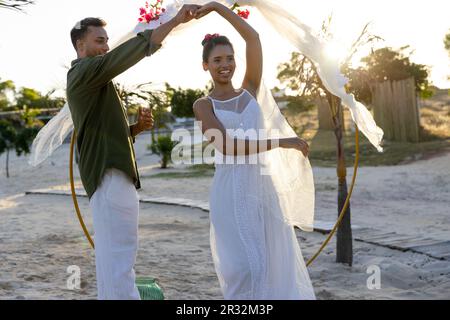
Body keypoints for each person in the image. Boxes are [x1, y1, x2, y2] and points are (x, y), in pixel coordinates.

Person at [66, 4, 201, 300]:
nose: (106, 46)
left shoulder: (94, 79)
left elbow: (102, 134)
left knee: (117, 260)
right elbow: (132, 51)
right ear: (80, 44)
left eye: (106, 40)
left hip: (114, 176)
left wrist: (135, 129)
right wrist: (177, 20)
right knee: (119, 261)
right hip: (108, 177)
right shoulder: (85, 73)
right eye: (99, 40)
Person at [193, 1, 316, 299]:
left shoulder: (250, 90)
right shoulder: (203, 105)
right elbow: (226, 146)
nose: (226, 64)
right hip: (229, 191)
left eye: (230, 58)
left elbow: (253, 38)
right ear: (205, 65)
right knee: (241, 268)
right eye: (218, 59)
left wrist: (216, 7)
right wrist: (281, 142)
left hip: (262, 188)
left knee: (274, 265)